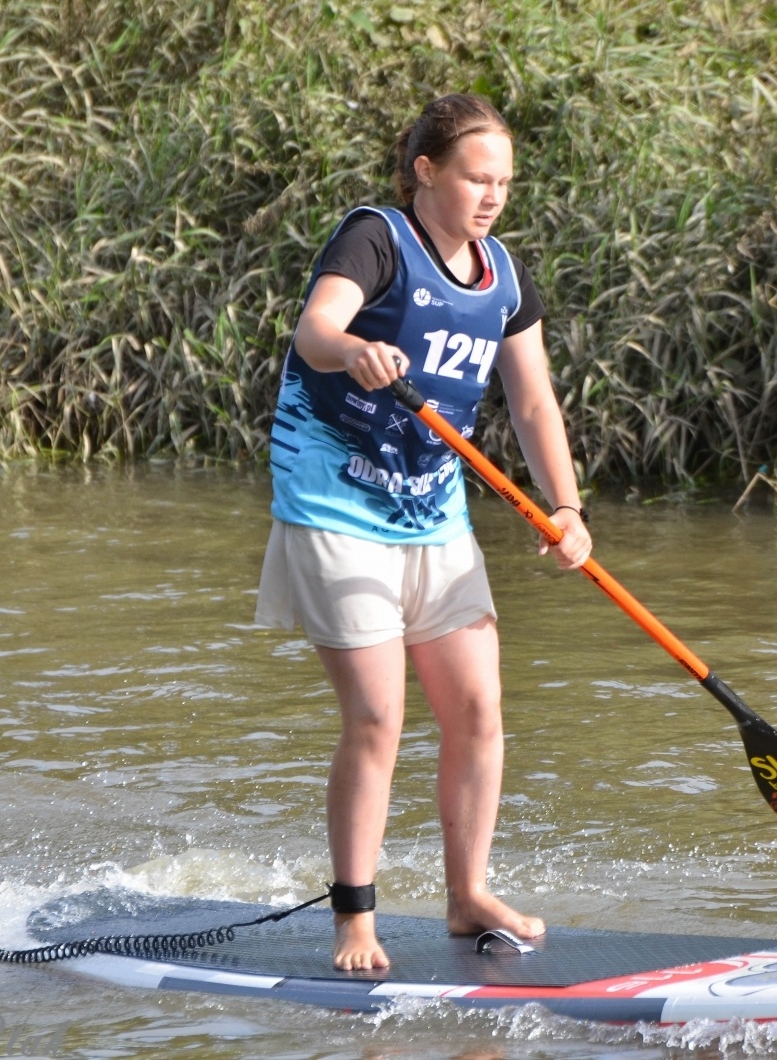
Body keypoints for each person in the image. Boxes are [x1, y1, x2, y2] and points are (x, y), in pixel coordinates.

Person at [254, 94, 592, 971]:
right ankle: (355, 921)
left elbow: (531, 400)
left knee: (478, 708)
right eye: (478, 177)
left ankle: (466, 893)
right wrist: (351, 350)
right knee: (378, 715)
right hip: (333, 499)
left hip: (430, 508)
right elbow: (316, 327)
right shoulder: (375, 237)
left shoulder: (505, 276)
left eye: (505, 182)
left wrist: (568, 509)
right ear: (427, 170)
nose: (492, 196)